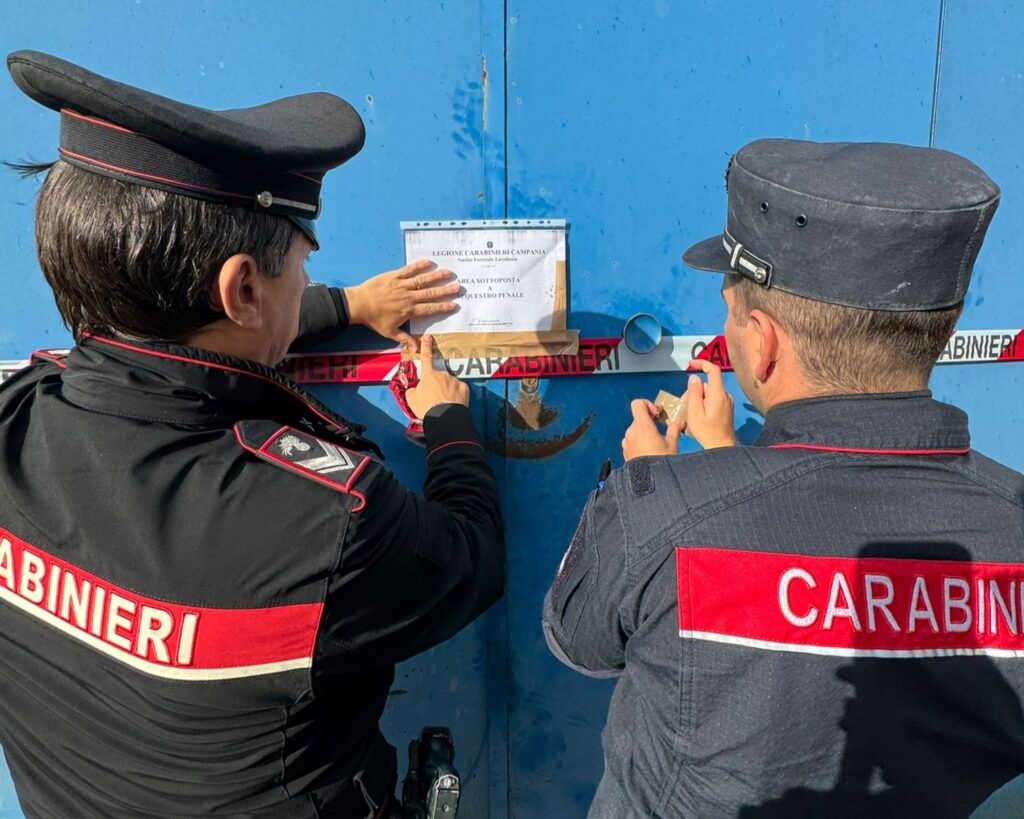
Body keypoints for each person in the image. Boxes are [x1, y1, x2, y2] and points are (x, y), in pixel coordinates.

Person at [0, 50, 504, 817]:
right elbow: (472, 559)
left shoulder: (16, 417)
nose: (307, 282)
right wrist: (449, 422)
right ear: (241, 289)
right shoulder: (330, 522)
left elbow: (156, 352)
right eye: (302, 265)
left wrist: (345, 306)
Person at [543, 138, 1024, 817]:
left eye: (730, 312)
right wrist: (720, 466)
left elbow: (580, 642)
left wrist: (661, 486)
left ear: (762, 341)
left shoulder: (660, 508)